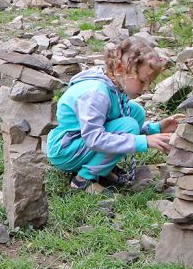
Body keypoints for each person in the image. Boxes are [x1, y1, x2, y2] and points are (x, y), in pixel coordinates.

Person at [47, 35, 179, 191]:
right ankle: (83, 179)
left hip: (81, 143)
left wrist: (155, 129)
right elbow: (94, 138)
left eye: (150, 83)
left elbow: (114, 122)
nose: (146, 89)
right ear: (121, 70)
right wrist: (143, 141)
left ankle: (102, 167)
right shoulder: (96, 94)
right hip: (66, 150)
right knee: (129, 125)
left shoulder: (114, 85)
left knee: (135, 112)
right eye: (143, 81)